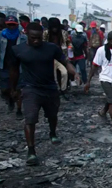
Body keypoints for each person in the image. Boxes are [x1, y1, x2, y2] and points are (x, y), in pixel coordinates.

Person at [9, 22, 77, 165]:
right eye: (33, 37)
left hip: (50, 88)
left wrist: (72, 70)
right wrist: (13, 88)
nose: (36, 41)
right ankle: (31, 151)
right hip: (30, 88)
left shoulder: (51, 48)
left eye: (39, 38)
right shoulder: (17, 50)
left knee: (52, 115)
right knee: (30, 119)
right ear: (26, 34)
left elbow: (64, 60)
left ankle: (52, 132)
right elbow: (14, 71)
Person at [1, 16, 27, 118]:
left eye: (13, 25)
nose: (11, 27)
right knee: (4, 89)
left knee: (18, 89)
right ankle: (10, 99)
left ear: (17, 25)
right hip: (4, 65)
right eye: (9, 25)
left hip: (18, 67)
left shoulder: (23, 37)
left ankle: (19, 110)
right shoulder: (1, 36)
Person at [43, 17, 71, 91]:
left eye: (56, 27)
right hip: (49, 57)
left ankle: (63, 89)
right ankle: (55, 89)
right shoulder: (46, 33)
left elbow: (68, 42)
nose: (54, 29)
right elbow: (43, 43)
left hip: (61, 56)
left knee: (64, 73)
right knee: (53, 75)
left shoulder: (63, 33)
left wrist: (70, 47)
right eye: (53, 27)